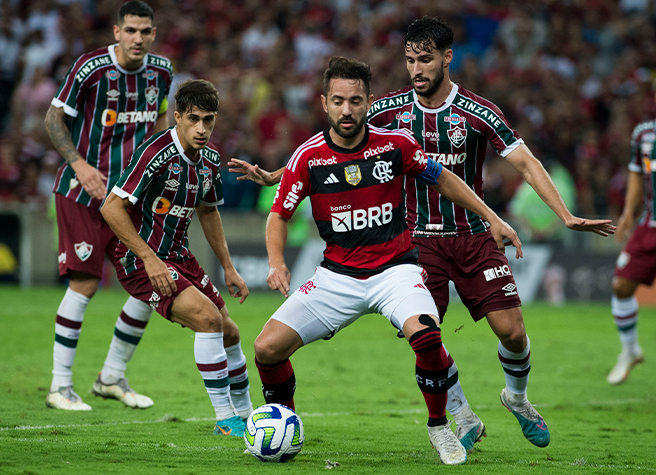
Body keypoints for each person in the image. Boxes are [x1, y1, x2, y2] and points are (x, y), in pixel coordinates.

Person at [230, 17, 615, 453]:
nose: (416, 69)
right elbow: (332, 142)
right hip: (417, 240)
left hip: (471, 233)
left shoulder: (477, 112)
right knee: (426, 335)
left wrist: (562, 214)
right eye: (410, 60)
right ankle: (459, 414)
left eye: (425, 60)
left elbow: (524, 162)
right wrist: (276, 178)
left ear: (447, 58)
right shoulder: (385, 109)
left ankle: (517, 399)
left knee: (511, 331)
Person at [253, 56, 523, 466]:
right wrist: (276, 261)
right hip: (336, 278)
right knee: (266, 349)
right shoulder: (308, 158)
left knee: (427, 336)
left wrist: (492, 218)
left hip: (395, 271)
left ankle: (439, 426)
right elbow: (279, 216)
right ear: (324, 102)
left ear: (369, 102)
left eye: (356, 101)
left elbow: (446, 179)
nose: (347, 110)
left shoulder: (394, 145)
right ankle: (285, 421)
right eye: (339, 101)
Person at [101, 79, 253, 437]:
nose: (202, 128)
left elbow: (209, 212)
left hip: (180, 257)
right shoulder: (156, 152)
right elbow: (111, 208)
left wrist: (229, 268)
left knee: (230, 331)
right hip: (140, 259)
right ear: (178, 116)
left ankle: (248, 416)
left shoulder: (210, 160)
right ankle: (225, 420)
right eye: (194, 119)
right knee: (207, 319)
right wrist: (150, 259)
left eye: (209, 120)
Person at [43, 0, 173, 411]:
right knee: (84, 283)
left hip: (130, 196)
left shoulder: (162, 73)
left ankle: (111, 377)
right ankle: (59, 386)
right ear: (117, 32)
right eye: (130, 30)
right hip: (83, 193)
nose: (138, 38)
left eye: (145, 31)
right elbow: (52, 119)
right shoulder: (91, 69)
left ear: (153, 34)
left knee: (150, 283)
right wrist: (79, 164)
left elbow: (162, 125)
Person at [607, 119, 653, 384]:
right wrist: (627, 212)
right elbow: (637, 172)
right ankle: (630, 349)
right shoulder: (644, 133)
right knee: (621, 286)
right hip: (649, 226)